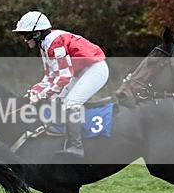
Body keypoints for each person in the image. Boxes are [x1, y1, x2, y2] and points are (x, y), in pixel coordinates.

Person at [13, 10, 109, 157]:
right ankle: (61, 136)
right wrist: (35, 91)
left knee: (71, 103)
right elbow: (50, 77)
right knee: (57, 99)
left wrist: (40, 96)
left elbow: (64, 77)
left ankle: (76, 147)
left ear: (37, 34)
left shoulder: (54, 43)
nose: (25, 40)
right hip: (81, 71)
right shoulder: (44, 46)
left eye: (26, 36)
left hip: (95, 69)